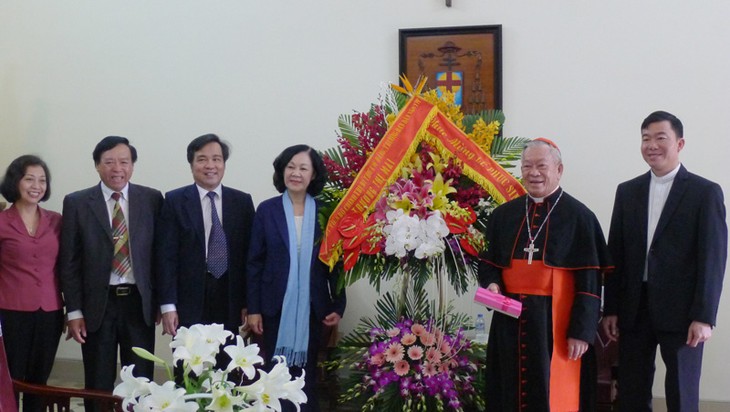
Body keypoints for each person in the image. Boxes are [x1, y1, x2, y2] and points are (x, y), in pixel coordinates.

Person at [602, 111, 727, 412]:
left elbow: (713, 259)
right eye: (646, 139)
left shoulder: (704, 192)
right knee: (631, 391)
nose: (652, 145)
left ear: (680, 143)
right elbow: (615, 254)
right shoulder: (627, 191)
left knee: (682, 393)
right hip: (634, 310)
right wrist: (612, 308)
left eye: (661, 138)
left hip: (684, 313)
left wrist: (704, 315)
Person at [478, 138, 612, 412]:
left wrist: (582, 331)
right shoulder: (504, 215)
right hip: (509, 320)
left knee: (550, 392)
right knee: (508, 390)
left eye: (541, 165)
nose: (533, 173)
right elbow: (488, 262)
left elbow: (590, 282)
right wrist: (491, 284)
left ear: (559, 169)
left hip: (555, 324)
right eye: (527, 166)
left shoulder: (580, 217)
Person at [59, 136, 163, 411]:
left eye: (124, 161)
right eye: (109, 162)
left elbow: (159, 256)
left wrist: (161, 303)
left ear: (132, 165)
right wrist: (74, 312)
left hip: (138, 304)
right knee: (97, 380)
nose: (117, 168)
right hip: (97, 306)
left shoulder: (151, 199)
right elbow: (69, 262)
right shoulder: (77, 202)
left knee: (141, 381)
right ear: (97, 166)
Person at [247, 145, 346, 412]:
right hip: (273, 308)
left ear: (313, 175)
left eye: (303, 168)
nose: (296, 173)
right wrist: (253, 309)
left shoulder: (326, 211)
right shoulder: (267, 210)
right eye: (290, 166)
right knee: (273, 373)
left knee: (306, 376)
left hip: (314, 309)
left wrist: (338, 305)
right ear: (282, 170)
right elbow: (254, 263)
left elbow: (336, 263)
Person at [157, 134, 255, 339]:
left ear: (224, 164)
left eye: (216, 159)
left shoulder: (242, 202)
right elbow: (166, 257)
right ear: (191, 164)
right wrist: (168, 305)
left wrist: (249, 303)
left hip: (229, 297)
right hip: (188, 298)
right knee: (189, 365)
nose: (210, 165)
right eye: (202, 159)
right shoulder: (174, 201)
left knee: (227, 364)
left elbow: (250, 257)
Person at [0, 155, 64, 411]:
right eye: (30, 179)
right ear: (16, 182)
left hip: (50, 312)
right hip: (11, 311)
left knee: (40, 380)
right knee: (11, 378)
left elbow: (66, 267)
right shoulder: (2, 222)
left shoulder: (57, 220)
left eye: (42, 180)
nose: (36, 186)